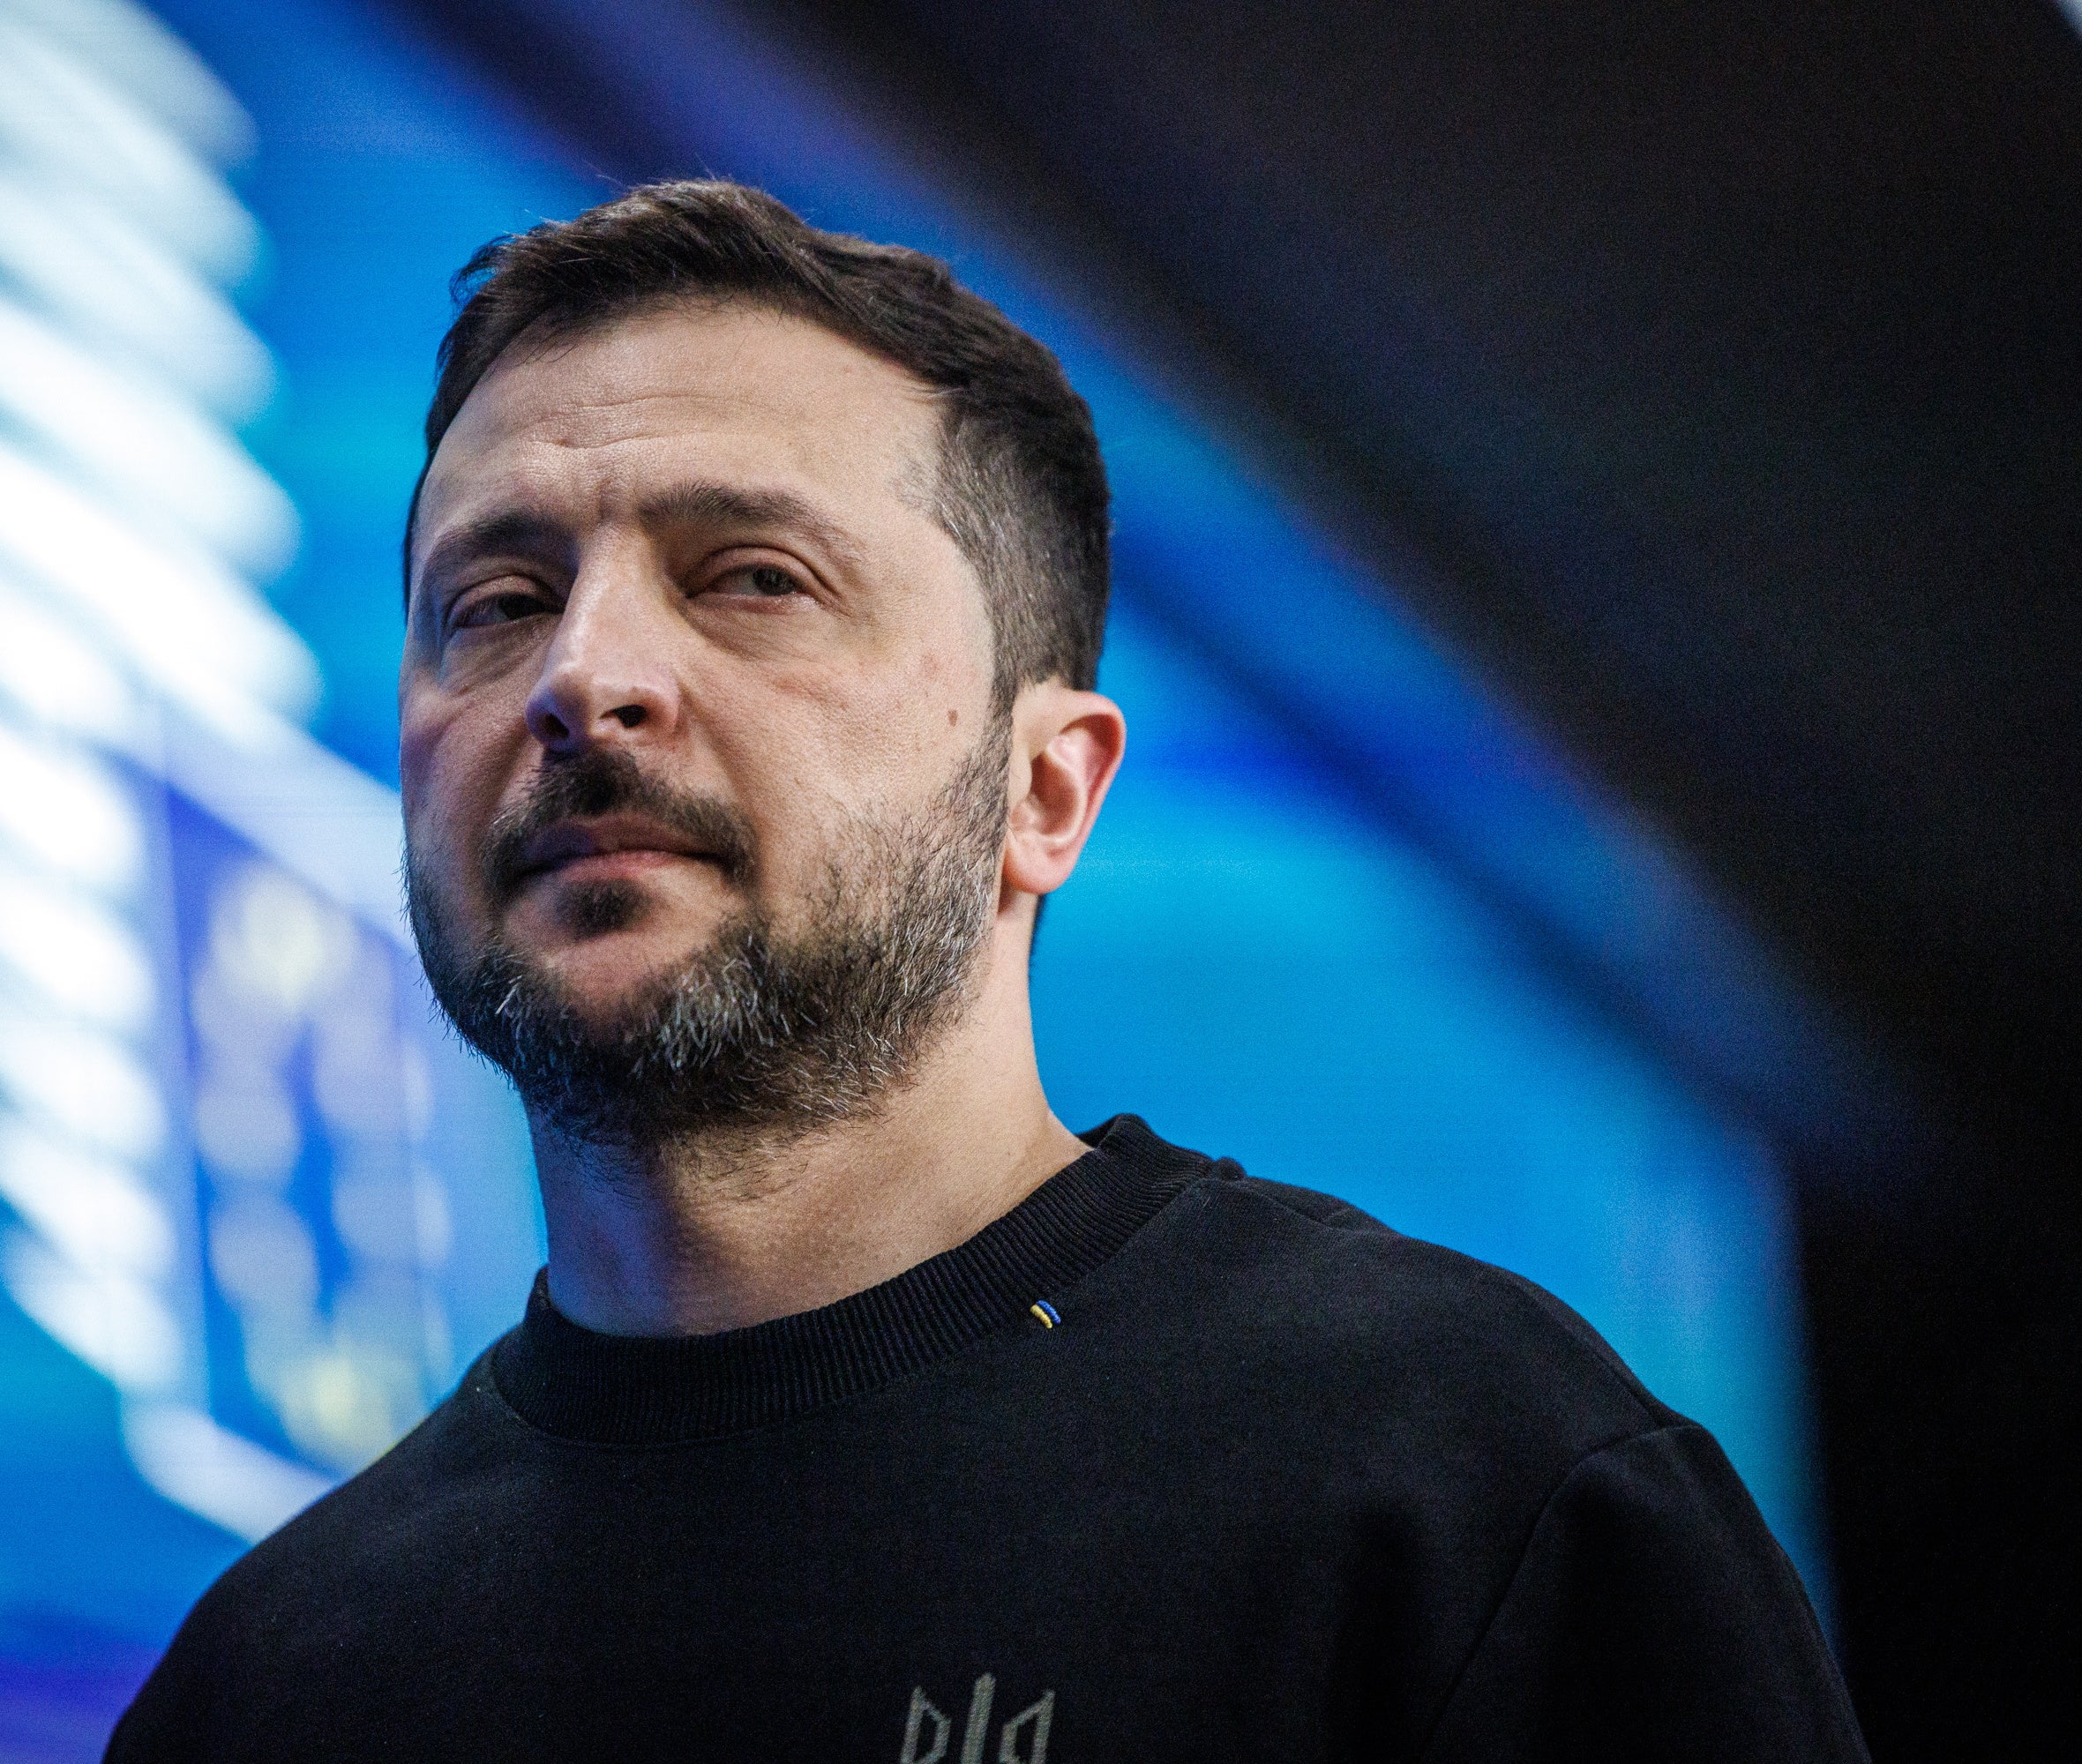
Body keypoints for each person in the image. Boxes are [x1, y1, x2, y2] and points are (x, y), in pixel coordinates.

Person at [109, 181, 1865, 1761]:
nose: (585, 674)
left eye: (755, 577)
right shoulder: (268, 1689)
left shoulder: (1462, 1490)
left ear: (1045, 790)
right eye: (494, 600)